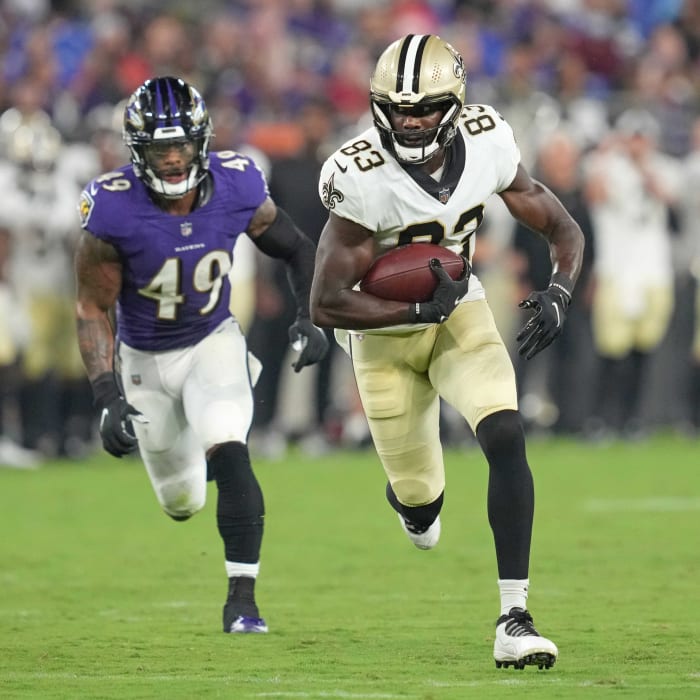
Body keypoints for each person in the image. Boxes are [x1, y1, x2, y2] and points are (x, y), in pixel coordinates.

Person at [310, 35, 584, 669]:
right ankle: (412, 507)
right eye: (398, 109)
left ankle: (514, 617)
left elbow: (561, 227)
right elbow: (325, 302)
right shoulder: (358, 174)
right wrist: (413, 311)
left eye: (425, 108)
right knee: (420, 500)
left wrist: (561, 292)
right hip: (383, 338)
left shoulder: (488, 143)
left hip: (458, 311)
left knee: (506, 431)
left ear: (454, 105)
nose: (410, 121)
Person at [74, 76, 329, 635]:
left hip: (213, 340)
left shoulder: (238, 185)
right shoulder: (113, 207)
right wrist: (106, 394)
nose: (171, 159)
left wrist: (309, 317)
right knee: (183, 501)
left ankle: (243, 603)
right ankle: (196, 439)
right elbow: (92, 307)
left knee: (230, 447)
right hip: (144, 360)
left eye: (181, 145)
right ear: (137, 150)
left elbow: (297, 248)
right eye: (159, 148)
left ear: (201, 142)